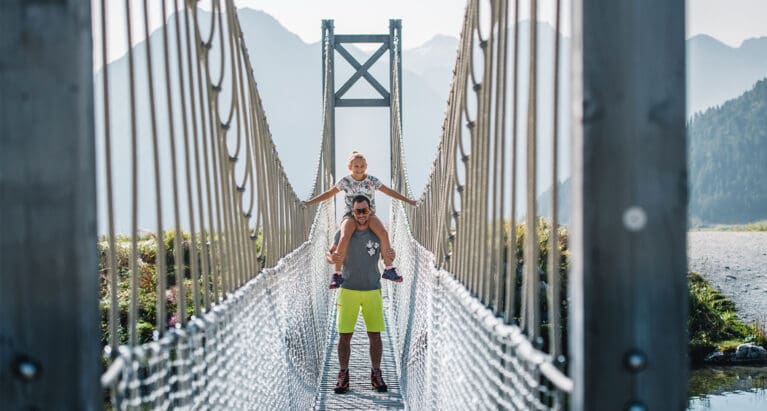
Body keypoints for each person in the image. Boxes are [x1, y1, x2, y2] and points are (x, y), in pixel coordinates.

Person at [304, 151, 417, 289]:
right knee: (345, 236)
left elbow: (389, 192)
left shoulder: (372, 181)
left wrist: (408, 201)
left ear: (366, 166)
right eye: (356, 166)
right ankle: (337, 274)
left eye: (362, 166)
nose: (359, 169)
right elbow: (329, 193)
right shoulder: (345, 181)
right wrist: (310, 202)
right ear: (350, 167)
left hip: (369, 214)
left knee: (383, 233)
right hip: (350, 215)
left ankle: (389, 269)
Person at [326, 195, 396, 394]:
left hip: (372, 290)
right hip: (348, 290)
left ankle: (376, 374)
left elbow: (387, 254)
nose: (362, 215)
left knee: (375, 335)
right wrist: (331, 257)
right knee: (344, 336)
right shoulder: (344, 231)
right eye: (358, 211)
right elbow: (330, 253)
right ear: (353, 212)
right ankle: (343, 376)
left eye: (365, 211)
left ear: (370, 210)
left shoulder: (377, 232)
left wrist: (391, 256)